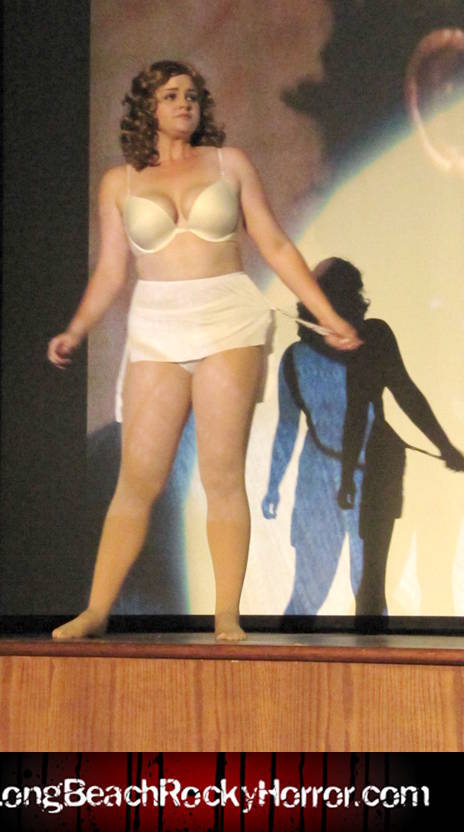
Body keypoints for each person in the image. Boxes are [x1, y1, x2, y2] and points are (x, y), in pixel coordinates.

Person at [47, 60, 361, 641]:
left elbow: (274, 243)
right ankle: (95, 611)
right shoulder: (120, 182)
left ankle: (225, 616)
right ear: (148, 108)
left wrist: (327, 314)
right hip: (157, 328)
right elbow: (112, 271)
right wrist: (76, 329)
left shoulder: (228, 164)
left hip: (227, 321)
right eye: (171, 96)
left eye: (191, 95)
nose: (185, 104)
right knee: (137, 480)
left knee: (221, 476)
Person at [262, 258, 464, 616]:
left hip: (372, 475)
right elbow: (291, 427)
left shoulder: (372, 339)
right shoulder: (297, 358)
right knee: (316, 588)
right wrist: (274, 485)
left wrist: (445, 446)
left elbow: (405, 394)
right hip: (325, 477)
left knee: (369, 587)